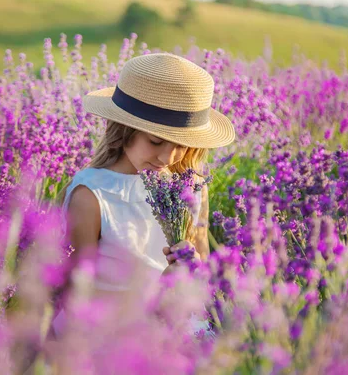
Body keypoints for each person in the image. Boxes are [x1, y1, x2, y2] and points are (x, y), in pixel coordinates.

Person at [51, 52, 235, 338]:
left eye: (182, 145)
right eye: (156, 140)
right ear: (124, 129)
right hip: (106, 336)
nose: (168, 156)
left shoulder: (192, 187)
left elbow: (202, 266)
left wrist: (191, 273)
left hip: (174, 328)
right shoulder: (92, 195)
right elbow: (77, 295)